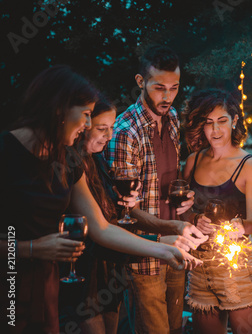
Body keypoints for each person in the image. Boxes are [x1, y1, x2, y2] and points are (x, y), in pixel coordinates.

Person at [0, 65, 195, 334]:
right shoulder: (6, 151)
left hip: (47, 283)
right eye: (86, 115)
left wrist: (163, 250)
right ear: (59, 108)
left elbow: (101, 228)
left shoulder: (67, 158)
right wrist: (30, 249)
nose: (88, 126)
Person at [59, 96, 205, 333]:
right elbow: (99, 231)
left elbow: (114, 220)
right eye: (101, 128)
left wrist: (128, 204)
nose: (109, 136)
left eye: (111, 128)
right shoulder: (69, 165)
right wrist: (164, 242)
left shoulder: (98, 161)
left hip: (108, 273)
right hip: (83, 275)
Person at [104, 44, 196, 334]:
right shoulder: (124, 132)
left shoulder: (172, 119)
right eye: (159, 88)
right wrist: (173, 227)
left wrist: (187, 199)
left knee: (176, 328)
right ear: (140, 82)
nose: (167, 96)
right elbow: (125, 210)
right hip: (144, 257)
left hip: (175, 249)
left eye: (174, 87)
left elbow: (168, 183)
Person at [182, 89, 252, 334]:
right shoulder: (192, 161)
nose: (215, 131)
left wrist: (241, 226)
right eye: (208, 124)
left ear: (234, 120)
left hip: (238, 268)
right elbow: (179, 212)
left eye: (222, 121)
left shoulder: (250, 165)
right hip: (199, 268)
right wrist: (195, 219)